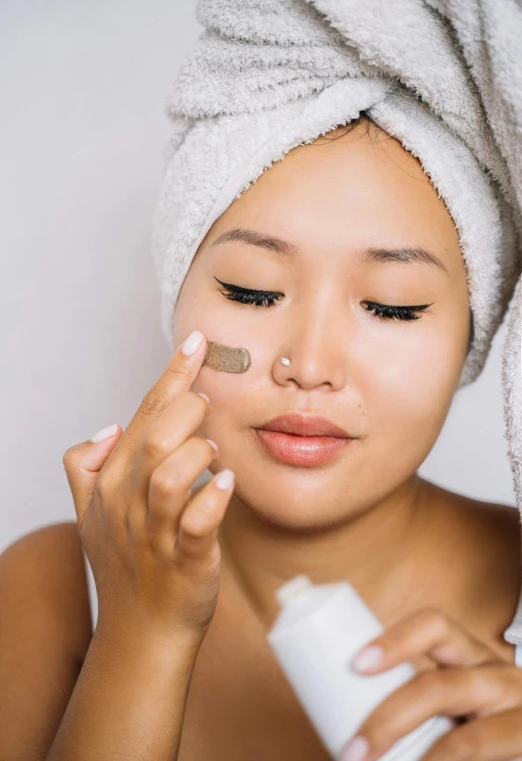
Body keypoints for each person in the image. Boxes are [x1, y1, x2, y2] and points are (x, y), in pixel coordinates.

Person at [1, 116, 521, 761]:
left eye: (392, 306)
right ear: (178, 301)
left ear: (473, 335)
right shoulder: (51, 588)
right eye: (252, 292)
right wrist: (141, 634)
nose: (308, 365)